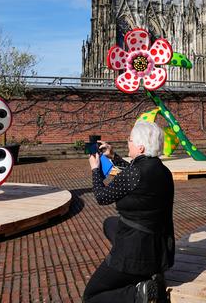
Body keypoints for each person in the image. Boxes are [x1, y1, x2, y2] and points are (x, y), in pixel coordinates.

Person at [83, 121, 174, 303]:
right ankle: (149, 274)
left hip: (136, 251)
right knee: (109, 223)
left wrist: (95, 169)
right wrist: (113, 156)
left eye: (130, 140)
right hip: (159, 247)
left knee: (91, 296)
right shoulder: (163, 170)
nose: (128, 142)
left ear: (140, 147)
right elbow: (133, 173)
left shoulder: (134, 174)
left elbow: (101, 197)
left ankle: (139, 293)